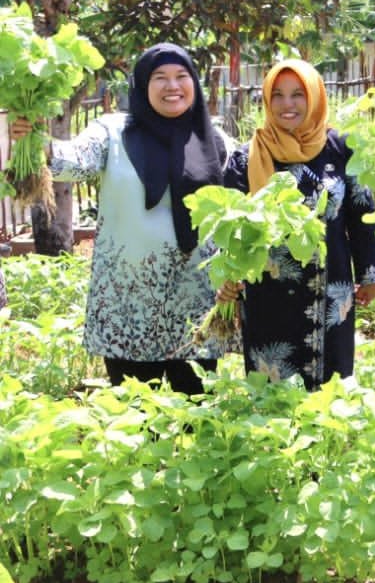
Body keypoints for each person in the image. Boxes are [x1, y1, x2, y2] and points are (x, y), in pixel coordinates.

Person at [5, 45, 229, 393]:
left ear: (195, 84)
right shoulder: (113, 132)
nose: (173, 86)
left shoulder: (215, 139)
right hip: (128, 304)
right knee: (135, 418)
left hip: (195, 301)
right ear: (141, 85)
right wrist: (39, 143)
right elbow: (73, 157)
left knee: (196, 414)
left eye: (182, 76)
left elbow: (246, 194)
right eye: (160, 78)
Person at [221, 60, 375, 389]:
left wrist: (370, 273)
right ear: (266, 100)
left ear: (314, 97)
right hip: (268, 295)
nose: (287, 104)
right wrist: (226, 277)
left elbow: (362, 214)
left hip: (330, 293)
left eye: (297, 94)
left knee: (331, 393)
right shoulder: (246, 158)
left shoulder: (341, 151)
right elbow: (229, 230)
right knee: (271, 396)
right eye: (277, 95)